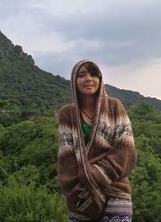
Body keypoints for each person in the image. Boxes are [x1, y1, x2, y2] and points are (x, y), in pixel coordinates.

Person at [57, 59, 136, 222]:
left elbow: (125, 149)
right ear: (74, 81)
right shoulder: (67, 113)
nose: (88, 78)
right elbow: (66, 157)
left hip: (116, 188)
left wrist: (96, 174)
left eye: (93, 74)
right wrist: (80, 186)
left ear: (100, 79)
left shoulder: (115, 106)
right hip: (82, 193)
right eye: (81, 75)